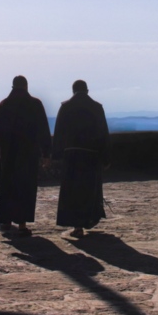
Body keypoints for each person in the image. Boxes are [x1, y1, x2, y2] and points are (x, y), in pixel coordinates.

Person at [0, 75, 51, 236]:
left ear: (13, 87)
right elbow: (43, 130)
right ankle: (22, 224)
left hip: (8, 155)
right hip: (28, 155)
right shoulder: (35, 104)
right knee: (25, 188)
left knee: (7, 187)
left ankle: (6, 221)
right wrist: (47, 153)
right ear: (26, 86)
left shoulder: (4, 105)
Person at [53, 79, 111, 238]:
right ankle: (88, 219)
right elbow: (103, 134)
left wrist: (56, 155)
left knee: (73, 190)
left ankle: (77, 225)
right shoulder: (96, 107)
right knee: (88, 190)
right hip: (91, 155)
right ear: (87, 90)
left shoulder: (66, 107)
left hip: (71, 155)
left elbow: (58, 133)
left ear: (73, 91)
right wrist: (105, 158)